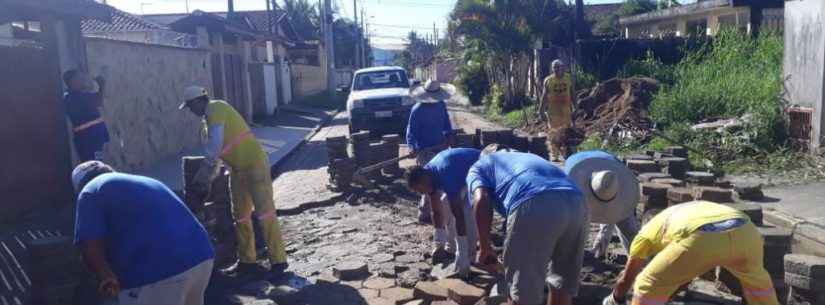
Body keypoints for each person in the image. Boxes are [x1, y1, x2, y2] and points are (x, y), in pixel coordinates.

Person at [179, 86, 288, 279]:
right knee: (241, 216)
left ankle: (278, 260)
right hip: (237, 171)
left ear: (198, 100)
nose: (190, 111)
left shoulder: (216, 108)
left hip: (254, 164)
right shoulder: (206, 126)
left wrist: (204, 171)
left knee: (265, 213)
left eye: (190, 106)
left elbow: (215, 146)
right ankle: (247, 261)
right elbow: (218, 156)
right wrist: (208, 180)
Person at [71, 161, 214, 305]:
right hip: (200, 258)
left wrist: (105, 276)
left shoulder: (89, 192)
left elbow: (90, 244)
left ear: (80, 185)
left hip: (160, 272)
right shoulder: (145, 181)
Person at [467, 151, 587, 305]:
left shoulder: (479, 166)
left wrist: (484, 246)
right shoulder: (525, 158)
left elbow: (481, 199)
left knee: (522, 292)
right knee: (561, 284)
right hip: (578, 203)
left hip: (535, 201)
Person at [604, 201, 780, 305]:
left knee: (646, 282)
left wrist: (615, 299)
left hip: (702, 236)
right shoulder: (682, 213)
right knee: (758, 287)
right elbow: (681, 275)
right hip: (746, 230)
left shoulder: (646, 232)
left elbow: (626, 278)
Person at [405, 148, 481, 277]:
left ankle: (468, 256)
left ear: (423, 181)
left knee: (468, 214)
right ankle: (450, 249)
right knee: (445, 203)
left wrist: (461, 251)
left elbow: (459, 216)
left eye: (419, 190)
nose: (420, 193)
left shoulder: (445, 175)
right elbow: (436, 211)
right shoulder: (428, 175)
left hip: (480, 169)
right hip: (460, 174)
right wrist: (438, 241)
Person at [564, 150, 641, 259]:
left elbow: (611, 215)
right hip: (581, 166)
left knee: (630, 229)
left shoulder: (616, 182)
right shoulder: (575, 179)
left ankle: (637, 259)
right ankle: (576, 255)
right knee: (576, 224)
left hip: (610, 171)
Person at [407, 79, 455, 224]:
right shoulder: (417, 110)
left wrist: (449, 135)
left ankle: (439, 211)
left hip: (440, 147)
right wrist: (412, 146)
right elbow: (411, 131)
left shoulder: (441, 105)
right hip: (424, 150)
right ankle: (425, 213)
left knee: (438, 180)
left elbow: (446, 123)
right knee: (427, 180)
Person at [63, 70, 110, 162]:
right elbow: (98, 101)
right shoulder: (71, 97)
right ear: (73, 82)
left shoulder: (78, 95)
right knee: (94, 164)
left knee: (97, 162)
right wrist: (101, 84)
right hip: (88, 138)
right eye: (80, 78)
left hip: (94, 137)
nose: (83, 80)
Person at [541, 60, 573, 162]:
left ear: (563, 68)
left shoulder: (568, 78)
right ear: (552, 68)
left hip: (566, 111)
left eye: (559, 67)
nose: (557, 69)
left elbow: (573, 92)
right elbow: (544, 96)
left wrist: (576, 106)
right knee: (554, 134)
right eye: (555, 67)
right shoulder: (548, 80)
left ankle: (567, 154)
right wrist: (541, 110)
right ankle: (554, 155)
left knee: (566, 133)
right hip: (553, 112)